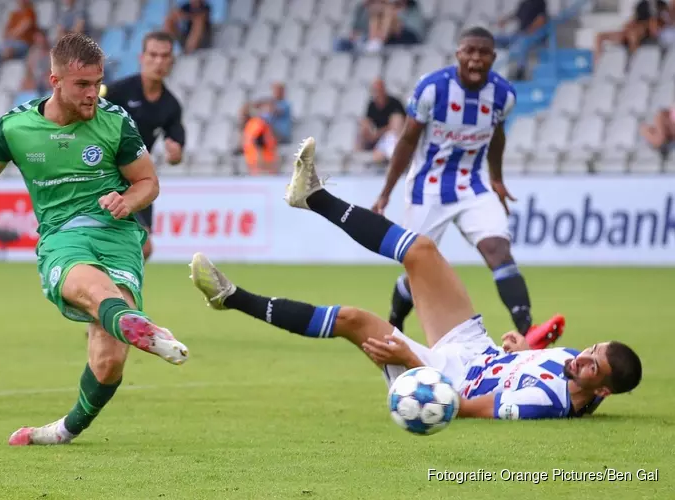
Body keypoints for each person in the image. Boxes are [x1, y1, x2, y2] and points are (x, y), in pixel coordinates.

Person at [190, 137, 643, 420]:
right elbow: (536, 369)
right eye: (592, 349)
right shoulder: (576, 371)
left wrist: (408, 355)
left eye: (592, 365)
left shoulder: (547, 405)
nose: (583, 357)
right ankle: (314, 197)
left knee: (353, 319)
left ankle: (230, 297)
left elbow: (463, 408)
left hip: (448, 376)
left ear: (601, 388)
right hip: (477, 351)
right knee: (423, 251)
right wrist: (522, 353)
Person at [0, 33, 190, 446]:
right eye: (82, 85)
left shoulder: (115, 122)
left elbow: (148, 182)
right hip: (62, 237)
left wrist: (128, 200)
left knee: (108, 363)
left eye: (97, 83)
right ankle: (135, 324)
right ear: (55, 81)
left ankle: (64, 429)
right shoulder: (15, 127)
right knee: (94, 289)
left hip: (117, 235)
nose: (93, 94)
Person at [371, 26, 562, 349]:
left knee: (498, 252)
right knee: (418, 267)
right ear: (458, 54)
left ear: (493, 57)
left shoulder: (504, 95)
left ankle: (529, 331)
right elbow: (407, 139)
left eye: (483, 52)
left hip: (473, 186)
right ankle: (395, 321)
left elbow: (498, 136)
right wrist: (387, 191)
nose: (475, 59)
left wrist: (497, 178)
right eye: (469, 51)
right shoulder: (432, 89)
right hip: (427, 188)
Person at [101, 31, 186, 261]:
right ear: (142, 57)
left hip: (137, 180)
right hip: (103, 175)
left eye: (164, 56)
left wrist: (174, 153)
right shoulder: (117, 91)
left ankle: (115, 293)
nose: (158, 61)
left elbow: (177, 148)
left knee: (144, 248)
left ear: (172, 60)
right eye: (153, 55)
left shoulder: (171, 106)